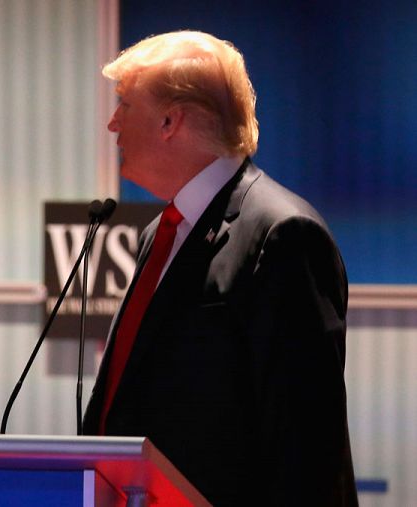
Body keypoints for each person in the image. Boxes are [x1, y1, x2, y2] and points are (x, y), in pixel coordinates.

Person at [82, 31, 357, 505]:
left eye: (125, 104)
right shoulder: (160, 232)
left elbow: (306, 447)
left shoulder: (284, 235)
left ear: (171, 120)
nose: (112, 124)